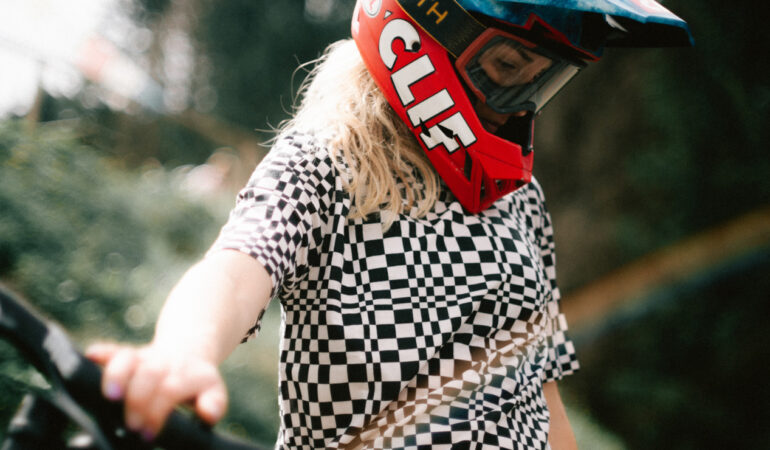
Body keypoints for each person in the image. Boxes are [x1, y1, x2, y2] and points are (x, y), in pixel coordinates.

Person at [86, 1, 693, 448]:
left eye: (542, 79)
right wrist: (180, 355)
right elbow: (237, 267)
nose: (522, 98)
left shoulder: (520, 199)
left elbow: (540, 392)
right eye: (510, 66)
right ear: (425, 32)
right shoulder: (326, 161)